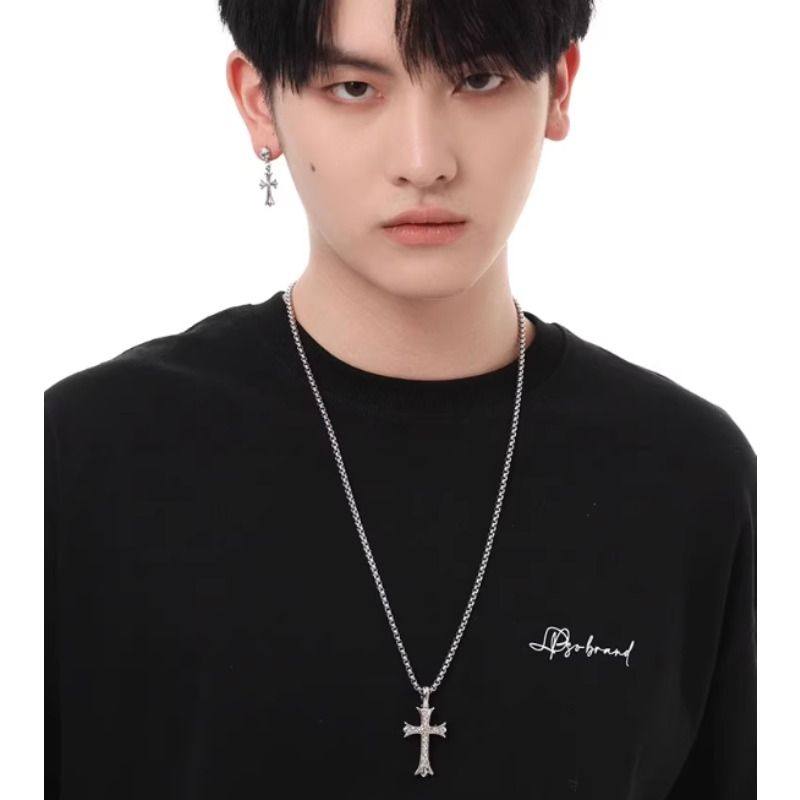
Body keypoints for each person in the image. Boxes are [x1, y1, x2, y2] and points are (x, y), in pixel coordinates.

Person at [44, 1, 756, 797]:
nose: (424, 162)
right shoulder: (79, 457)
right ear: (259, 102)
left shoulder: (690, 475)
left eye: (479, 80)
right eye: (355, 88)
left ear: (559, 86)